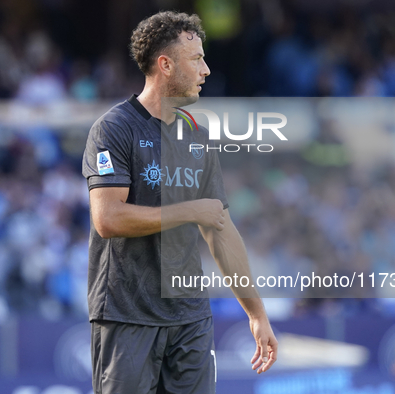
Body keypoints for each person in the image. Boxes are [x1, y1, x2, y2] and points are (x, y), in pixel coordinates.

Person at [82, 11, 277, 394]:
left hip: (190, 318)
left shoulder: (197, 138)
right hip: (127, 316)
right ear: (165, 65)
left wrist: (256, 313)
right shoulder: (114, 128)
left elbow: (220, 230)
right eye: (196, 60)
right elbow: (107, 218)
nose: (205, 69)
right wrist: (189, 210)